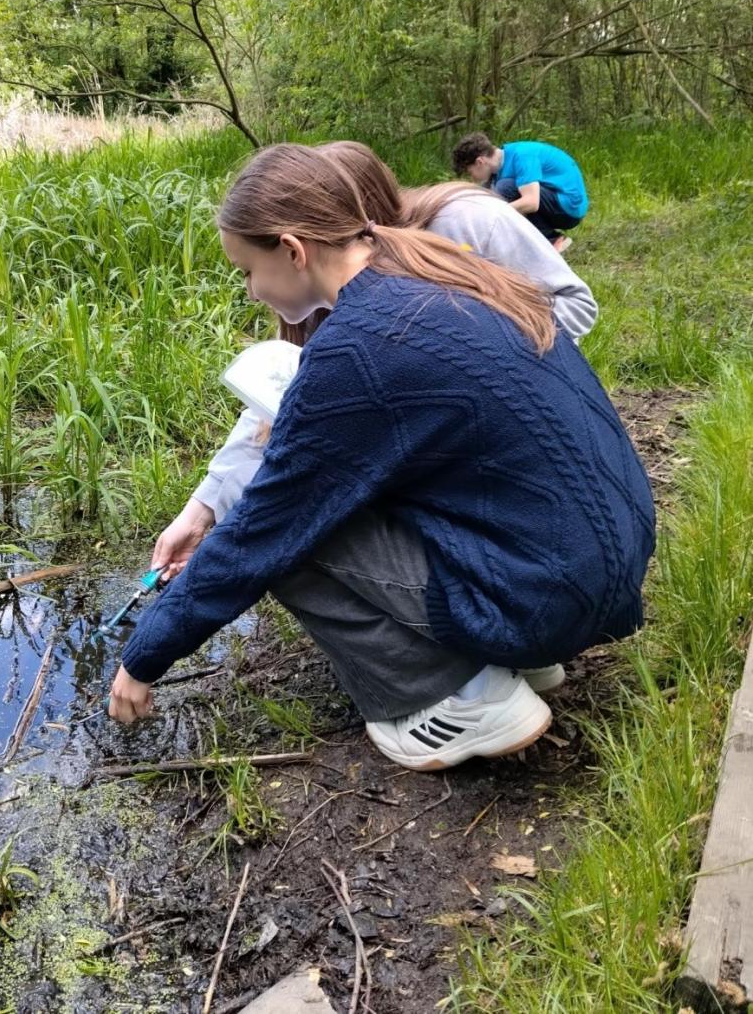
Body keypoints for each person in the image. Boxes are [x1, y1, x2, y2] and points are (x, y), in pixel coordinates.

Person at [106, 144, 654, 771]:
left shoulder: (361, 348)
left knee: (290, 535)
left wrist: (143, 655)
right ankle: (522, 653)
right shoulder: (434, 270)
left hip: (550, 594)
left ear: (292, 248)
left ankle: (463, 702)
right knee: (338, 490)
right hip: (603, 562)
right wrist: (199, 510)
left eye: (247, 270)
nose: (251, 290)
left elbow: (262, 532)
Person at [153, 143, 597, 573]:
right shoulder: (321, 283)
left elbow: (574, 304)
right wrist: (200, 511)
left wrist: (459, 368)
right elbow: (283, 396)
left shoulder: (464, 220)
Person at [452, 132, 589, 252]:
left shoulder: (522, 156)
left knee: (506, 189)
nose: (472, 178)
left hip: (569, 208)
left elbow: (531, 202)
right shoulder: (499, 167)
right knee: (498, 192)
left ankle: (551, 239)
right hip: (551, 200)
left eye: (470, 173)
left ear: (480, 162)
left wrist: (495, 212)